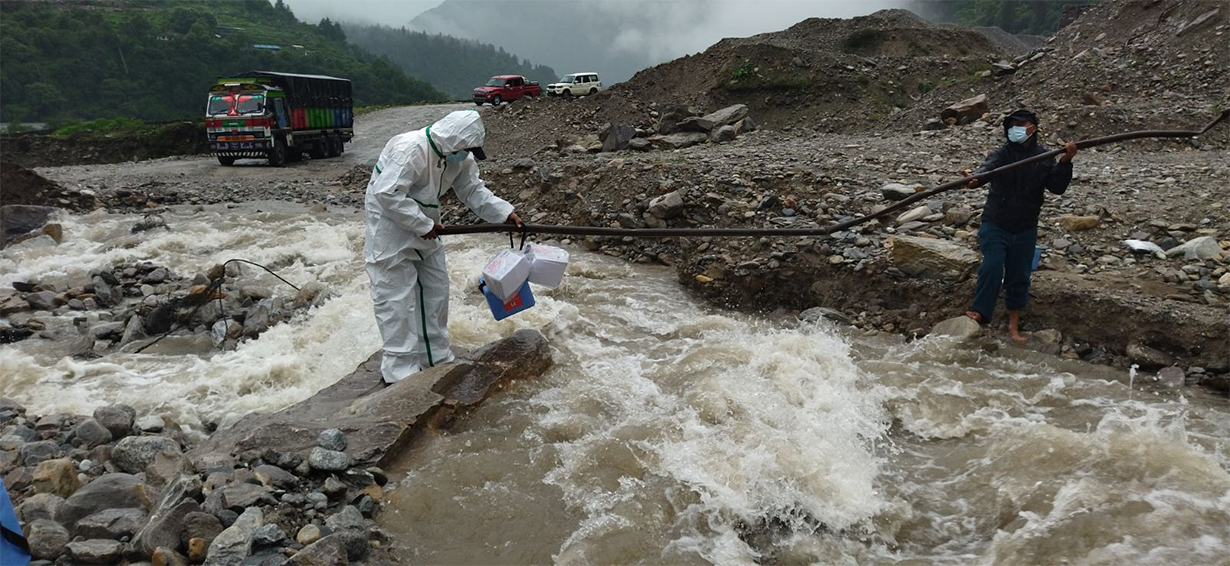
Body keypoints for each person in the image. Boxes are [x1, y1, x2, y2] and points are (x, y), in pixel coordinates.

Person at [364, 110, 521, 384]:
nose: (467, 155)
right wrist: (420, 224)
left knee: (436, 289)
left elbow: (472, 190)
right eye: (465, 150)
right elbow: (386, 193)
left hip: (427, 224)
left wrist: (503, 213)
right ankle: (400, 372)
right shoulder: (410, 149)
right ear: (451, 143)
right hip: (390, 225)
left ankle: (435, 358)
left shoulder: (458, 158)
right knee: (395, 297)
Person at [962, 109, 1077, 342]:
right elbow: (986, 170)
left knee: (1019, 275)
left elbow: (1056, 186)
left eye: (1021, 125)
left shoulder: (1044, 155)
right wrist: (975, 179)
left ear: (1032, 128)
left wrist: (1065, 161)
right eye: (1012, 125)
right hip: (996, 222)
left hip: (1025, 226)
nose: (1015, 130)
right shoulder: (1002, 154)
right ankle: (981, 313)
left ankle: (1013, 328)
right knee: (992, 265)